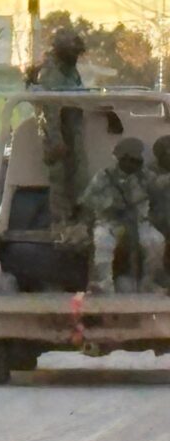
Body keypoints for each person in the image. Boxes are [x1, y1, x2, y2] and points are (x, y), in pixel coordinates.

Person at [80, 137, 165, 294]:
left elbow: (158, 187)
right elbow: (87, 199)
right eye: (131, 160)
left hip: (139, 222)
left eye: (137, 161)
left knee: (156, 241)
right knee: (103, 241)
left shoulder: (145, 176)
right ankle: (104, 284)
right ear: (122, 159)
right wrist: (109, 203)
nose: (134, 165)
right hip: (111, 221)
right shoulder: (105, 176)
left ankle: (148, 281)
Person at [33, 28, 88, 242]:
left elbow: (79, 94)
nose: (76, 57)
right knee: (59, 181)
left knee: (79, 178)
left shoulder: (70, 70)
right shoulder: (50, 73)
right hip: (57, 132)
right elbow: (50, 109)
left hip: (72, 128)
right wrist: (56, 140)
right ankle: (61, 226)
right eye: (72, 52)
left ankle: (76, 223)